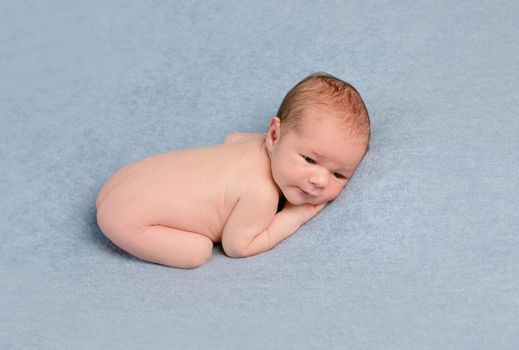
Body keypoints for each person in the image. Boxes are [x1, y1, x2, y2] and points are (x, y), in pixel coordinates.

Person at [95, 72, 371, 269]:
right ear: (274, 134)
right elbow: (238, 246)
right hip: (126, 220)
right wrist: (294, 217)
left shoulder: (252, 141)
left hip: (124, 180)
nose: (320, 180)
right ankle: (124, 223)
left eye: (339, 174)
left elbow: (231, 138)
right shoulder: (260, 192)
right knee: (199, 251)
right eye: (310, 160)